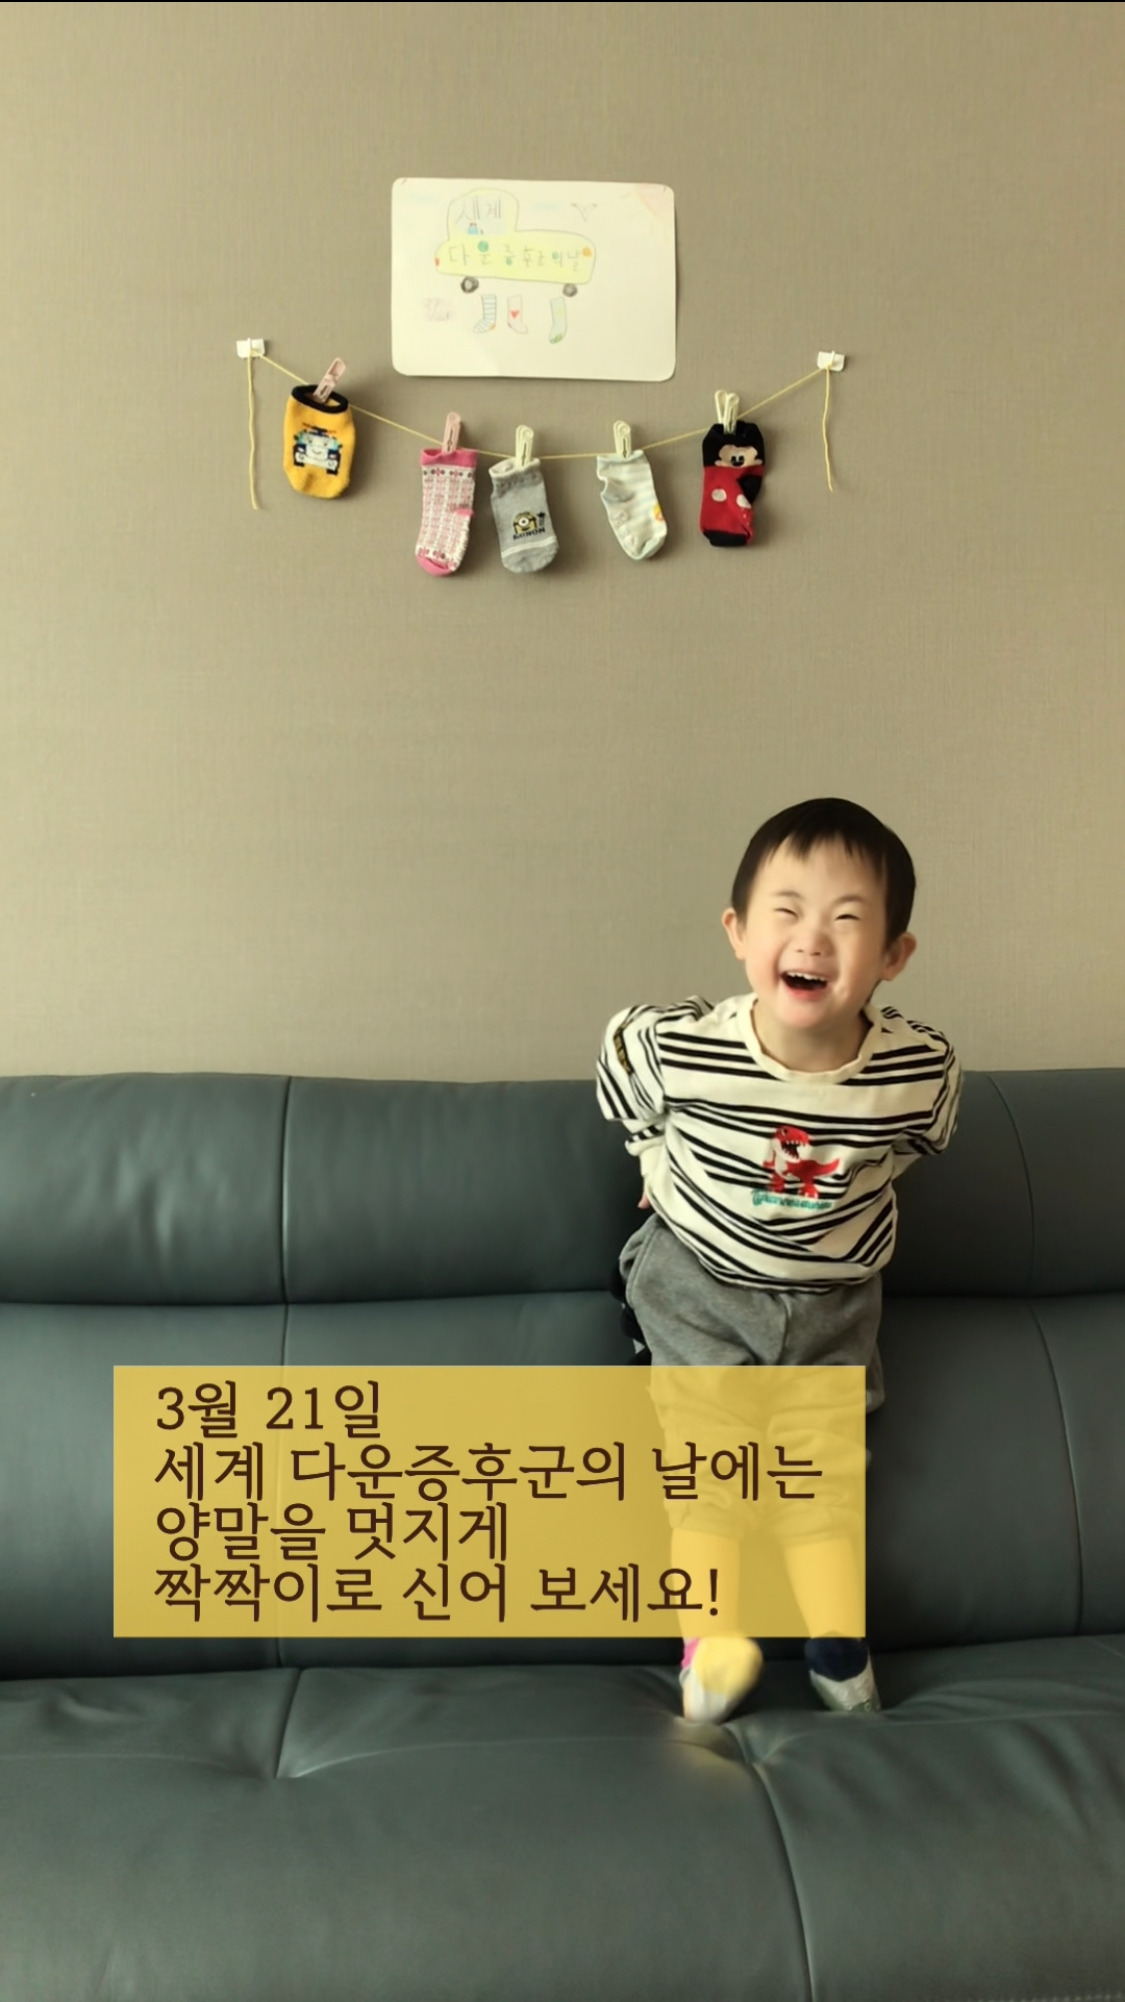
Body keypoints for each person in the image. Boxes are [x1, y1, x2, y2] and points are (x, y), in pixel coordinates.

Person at [596, 798, 962, 1723]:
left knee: (819, 1482)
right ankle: (711, 1642)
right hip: (700, 1285)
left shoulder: (916, 1072)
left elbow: (919, 1141)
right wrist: (651, 1156)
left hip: (833, 1306)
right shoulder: (682, 1047)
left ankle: (838, 1646)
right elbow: (618, 1064)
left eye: (847, 919)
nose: (812, 939)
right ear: (738, 933)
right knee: (708, 1476)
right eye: (786, 912)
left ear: (892, 956)